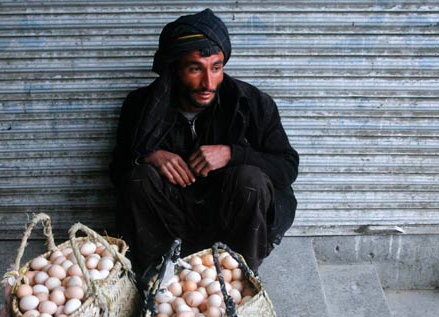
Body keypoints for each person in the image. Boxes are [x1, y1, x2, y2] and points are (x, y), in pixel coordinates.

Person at [109, 8, 298, 281]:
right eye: (195, 68)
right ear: (175, 69)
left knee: (251, 178)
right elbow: (116, 172)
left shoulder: (253, 104)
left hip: (228, 220)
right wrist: (148, 157)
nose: (208, 83)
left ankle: (239, 276)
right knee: (138, 178)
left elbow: (287, 167)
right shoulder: (141, 106)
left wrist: (233, 154)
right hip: (170, 222)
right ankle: (159, 276)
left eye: (216, 68)